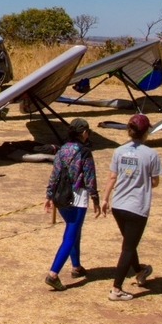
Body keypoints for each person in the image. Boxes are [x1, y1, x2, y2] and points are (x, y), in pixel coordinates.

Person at [101, 114, 162, 301]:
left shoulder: (119, 151)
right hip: (137, 207)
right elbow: (155, 181)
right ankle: (116, 289)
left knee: (130, 243)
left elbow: (112, 177)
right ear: (146, 131)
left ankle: (140, 271)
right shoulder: (151, 155)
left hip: (119, 204)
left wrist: (105, 199)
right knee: (128, 248)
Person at [43, 118, 101, 291]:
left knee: (74, 230)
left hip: (60, 197)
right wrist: (95, 199)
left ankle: (76, 266)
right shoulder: (85, 152)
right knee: (70, 236)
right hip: (77, 198)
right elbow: (90, 178)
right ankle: (53, 274)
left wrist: (49, 194)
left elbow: (54, 174)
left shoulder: (62, 150)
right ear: (84, 133)